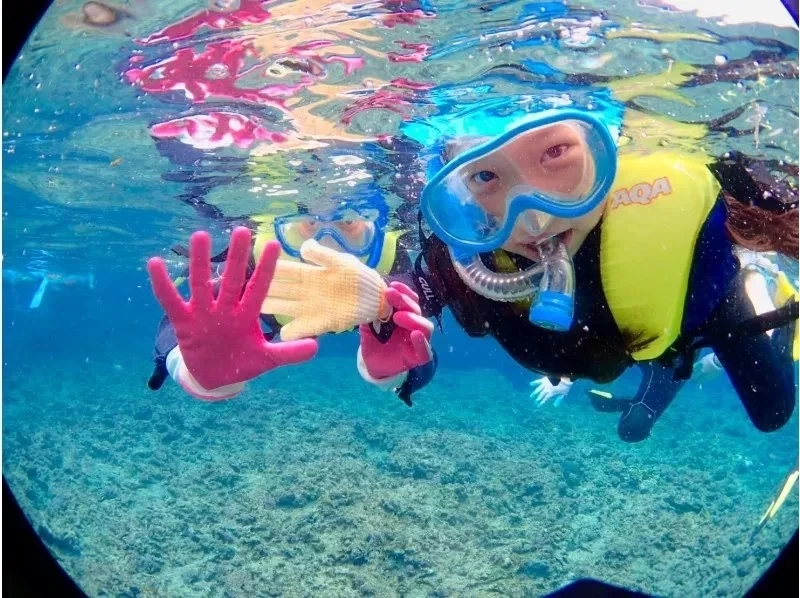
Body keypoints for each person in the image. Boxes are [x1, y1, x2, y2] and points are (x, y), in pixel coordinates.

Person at [256, 107, 797, 442]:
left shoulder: (680, 201)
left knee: (773, 412)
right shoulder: (464, 254)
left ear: (603, 147)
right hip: (619, 341)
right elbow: (408, 334)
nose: (534, 217)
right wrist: (380, 332)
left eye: (555, 155)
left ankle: (755, 289)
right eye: (487, 177)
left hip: (697, 315)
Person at [146, 199, 437, 404]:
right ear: (282, 226)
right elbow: (188, 318)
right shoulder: (255, 255)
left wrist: (396, 375)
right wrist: (185, 363)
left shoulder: (388, 257)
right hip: (272, 315)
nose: (327, 244)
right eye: (309, 223)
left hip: (364, 316)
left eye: (347, 222)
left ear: (374, 226)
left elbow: (417, 341)